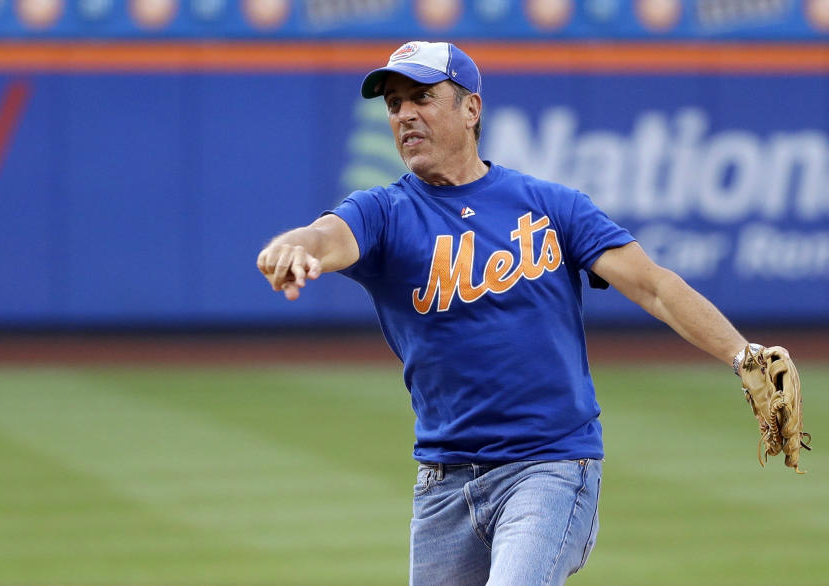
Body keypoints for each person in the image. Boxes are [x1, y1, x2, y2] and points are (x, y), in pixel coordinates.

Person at [256, 41, 764, 585]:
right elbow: (326, 235)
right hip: (442, 484)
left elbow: (655, 286)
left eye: (423, 97)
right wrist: (295, 247)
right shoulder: (383, 212)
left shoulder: (552, 206)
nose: (404, 113)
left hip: (548, 468)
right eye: (394, 103)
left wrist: (743, 354)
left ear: (471, 109)